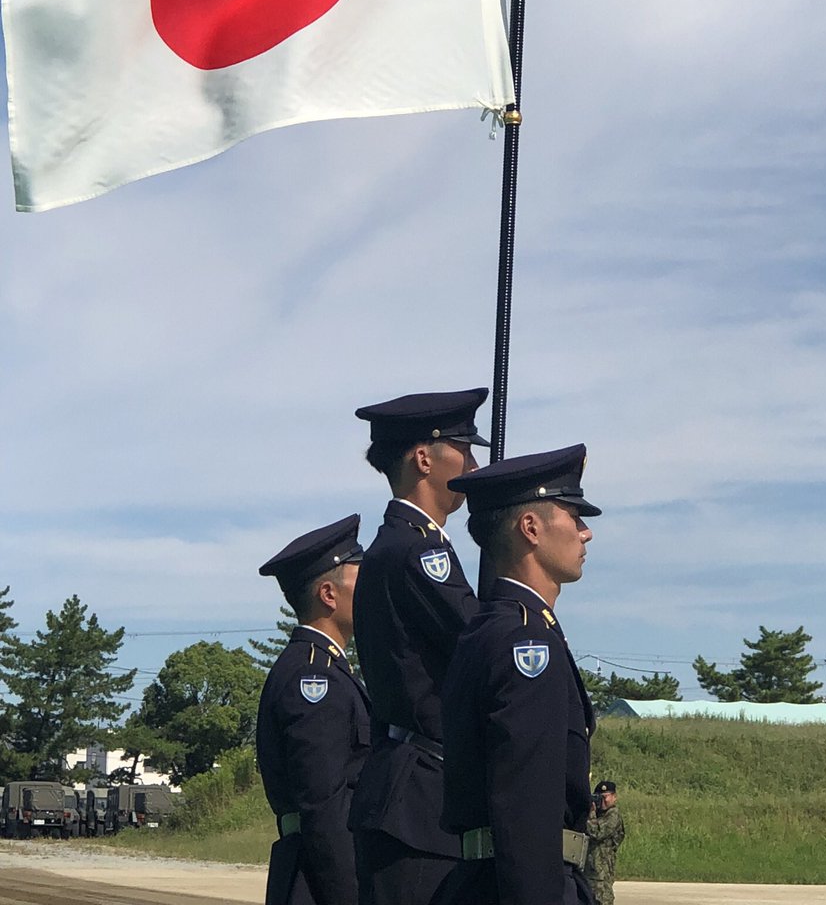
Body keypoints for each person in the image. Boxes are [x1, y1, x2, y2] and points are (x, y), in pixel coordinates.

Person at [438, 444, 600, 905]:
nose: (586, 533)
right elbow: (527, 808)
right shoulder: (525, 642)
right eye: (573, 515)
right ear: (531, 528)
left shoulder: (493, 628)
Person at [348, 388, 490, 905]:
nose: (474, 465)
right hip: (420, 802)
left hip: (417, 794)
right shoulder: (417, 550)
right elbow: (480, 646)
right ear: (425, 458)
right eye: (465, 449)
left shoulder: (402, 544)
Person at [256, 515, 371, 905]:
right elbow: (324, 807)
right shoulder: (313, 679)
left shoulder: (325, 669)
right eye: (362, 579)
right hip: (319, 881)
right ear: (328, 594)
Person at [585, 781, 625, 905]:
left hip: (602, 876)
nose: (602, 801)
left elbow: (597, 832)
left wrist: (590, 814)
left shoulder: (613, 815)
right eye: (598, 798)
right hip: (589, 873)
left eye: (605, 797)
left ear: (614, 797)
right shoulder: (598, 815)